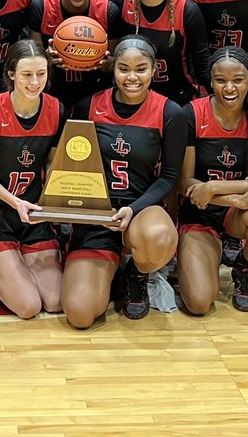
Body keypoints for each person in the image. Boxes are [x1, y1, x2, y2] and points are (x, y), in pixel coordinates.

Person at [62, 36, 185, 328]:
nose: (132, 77)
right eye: (123, 69)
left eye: (141, 69)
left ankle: (137, 273)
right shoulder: (87, 106)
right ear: (113, 69)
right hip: (98, 214)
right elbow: (71, 168)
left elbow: (169, 178)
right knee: (80, 315)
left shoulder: (170, 113)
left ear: (154, 70)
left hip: (141, 210)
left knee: (159, 238)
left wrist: (133, 208)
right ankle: (111, 267)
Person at [177, 46, 248, 314]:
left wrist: (215, 187)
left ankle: (245, 266)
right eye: (220, 80)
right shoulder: (191, 114)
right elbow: (185, 184)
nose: (229, 88)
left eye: (238, 80)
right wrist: (233, 197)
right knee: (200, 303)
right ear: (210, 82)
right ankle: (192, 257)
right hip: (198, 214)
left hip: (235, 214)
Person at [0, 41, 67, 318]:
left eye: (41, 74)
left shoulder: (57, 109)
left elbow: (53, 161)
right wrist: (14, 201)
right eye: (27, 74)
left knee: (54, 302)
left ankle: (15, 264)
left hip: (34, 216)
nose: (35, 81)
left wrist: (50, 200)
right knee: (28, 307)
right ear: (11, 74)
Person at [117, 0, 211, 106]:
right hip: (133, 97)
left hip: (179, 98)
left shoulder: (187, 10)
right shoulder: (121, 3)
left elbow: (202, 64)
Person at [27, 0, 121, 109]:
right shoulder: (42, 6)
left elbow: (114, 63)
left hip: (96, 91)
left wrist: (105, 63)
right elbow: (33, 59)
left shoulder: (108, 10)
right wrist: (45, 60)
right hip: (51, 89)